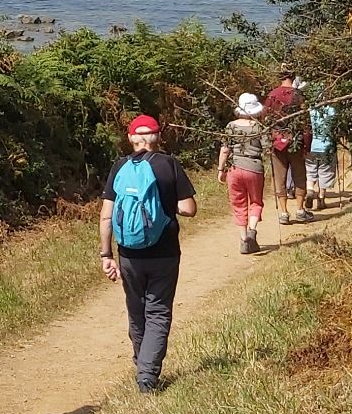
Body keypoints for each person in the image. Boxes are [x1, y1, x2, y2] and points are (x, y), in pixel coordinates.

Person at [99, 114, 198, 393]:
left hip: (129, 255)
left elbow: (106, 216)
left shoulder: (120, 166)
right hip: (165, 253)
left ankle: (141, 363)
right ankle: (147, 375)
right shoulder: (169, 165)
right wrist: (166, 206)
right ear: (158, 137)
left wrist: (106, 255)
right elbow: (189, 208)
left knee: (136, 308)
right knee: (158, 311)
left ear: (131, 138)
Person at [219, 94, 269, 254]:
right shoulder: (259, 127)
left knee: (238, 204)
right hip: (254, 168)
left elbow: (225, 149)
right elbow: (268, 148)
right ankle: (252, 230)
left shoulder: (230, 126)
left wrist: (220, 169)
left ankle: (244, 240)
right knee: (256, 202)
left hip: (234, 168)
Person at [261, 71, 311, 225]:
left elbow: (265, 120)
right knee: (299, 175)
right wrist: (307, 145)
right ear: (293, 77)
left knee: (280, 177)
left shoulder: (272, 96)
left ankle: (284, 212)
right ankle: (300, 210)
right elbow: (306, 123)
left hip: (277, 143)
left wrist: (269, 141)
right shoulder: (299, 96)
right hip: (296, 141)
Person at [307, 102, 338, 211]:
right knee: (325, 173)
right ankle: (321, 198)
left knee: (310, 171)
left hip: (312, 147)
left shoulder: (311, 110)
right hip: (327, 147)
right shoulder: (332, 110)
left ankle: (310, 189)